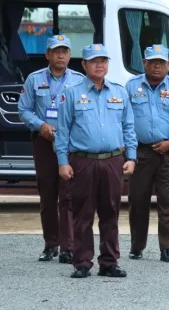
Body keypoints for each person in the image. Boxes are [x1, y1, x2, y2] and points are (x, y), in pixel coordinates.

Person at [55, 44, 137, 278]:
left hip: (113, 161)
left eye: (103, 60)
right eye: (93, 61)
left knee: (111, 212)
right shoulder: (72, 93)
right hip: (83, 161)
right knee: (83, 213)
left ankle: (109, 262)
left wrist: (131, 157)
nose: (99, 65)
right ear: (84, 65)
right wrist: (63, 161)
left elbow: (129, 127)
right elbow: (62, 130)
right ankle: (82, 261)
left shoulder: (119, 92)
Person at [18, 34, 83, 263]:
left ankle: (68, 246)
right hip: (44, 142)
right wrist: (40, 125)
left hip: (69, 144)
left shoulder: (78, 80)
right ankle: (50, 244)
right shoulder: (34, 79)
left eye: (65, 51)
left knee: (68, 196)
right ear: (47, 55)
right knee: (47, 195)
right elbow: (24, 110)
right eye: (56, 51)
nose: (61, 55)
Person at [125, 44, 169, 264]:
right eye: (153, 62)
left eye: (162, 62)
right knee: (138, 200)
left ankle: (166, 248)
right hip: (141, 151)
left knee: (167, 200)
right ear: (144, 64)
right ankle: (137, 246)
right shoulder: (131, 86)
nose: (157, 66)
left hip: (168, 152)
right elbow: (126, 121)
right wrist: (130, 152)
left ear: (168, 64)